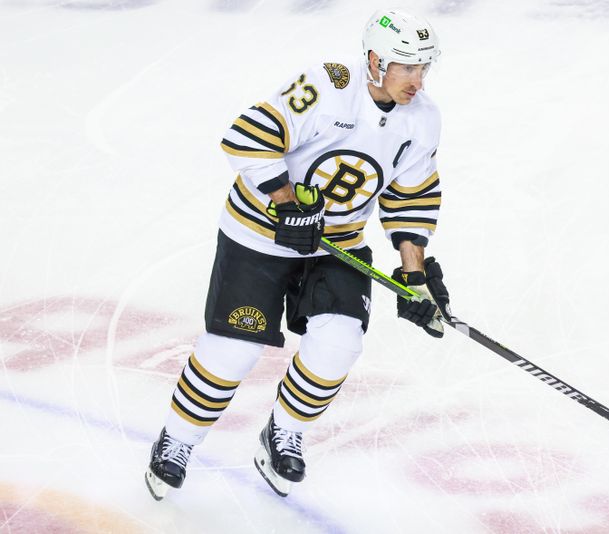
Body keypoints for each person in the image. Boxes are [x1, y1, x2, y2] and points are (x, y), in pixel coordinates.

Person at [145, 7, 451, 500]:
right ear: (375, 61)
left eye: (423, 67)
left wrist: (413, 275)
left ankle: (282, 431)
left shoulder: (424, 119)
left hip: (338, 246)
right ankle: (176, 440)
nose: (417, 79)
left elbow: (410, 197)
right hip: (259, 235)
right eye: (406, 66)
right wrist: (288, 207)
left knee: (339, 344)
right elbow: (247, 138)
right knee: (233, 352)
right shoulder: (327, 85)